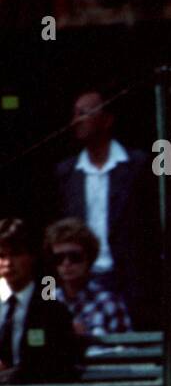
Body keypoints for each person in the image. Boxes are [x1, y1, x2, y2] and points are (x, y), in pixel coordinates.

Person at [52, 91, 160, 330]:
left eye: (84, 113)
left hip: (131, 283)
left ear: (107, 120)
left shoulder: (137, 166)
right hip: (80, 281)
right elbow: (53, 239)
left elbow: (153, 228)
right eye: (74, 114)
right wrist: (50, 294)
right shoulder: (66, 173)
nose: (76, 121)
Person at [0, 218, 82, 385]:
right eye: (1, 256)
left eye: (16, 254)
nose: (8, 264)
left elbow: (58, 366)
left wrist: (15, 376)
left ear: (31, 257)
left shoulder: (52, 311)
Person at [44, 218, 132, 336]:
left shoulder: (108, 303)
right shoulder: (47, 303)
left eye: (74, 257)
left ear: (89, 259)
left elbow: (126, 351)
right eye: (59, 258)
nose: (66, 264)